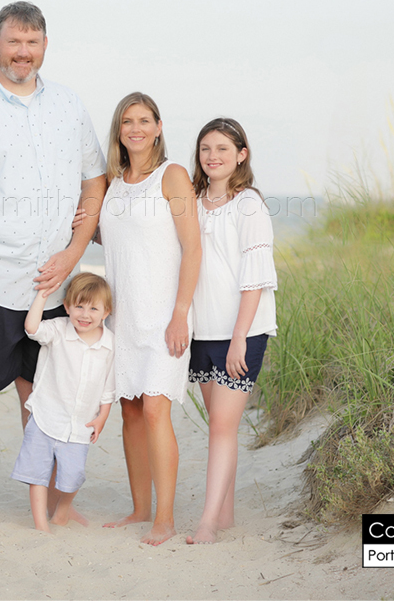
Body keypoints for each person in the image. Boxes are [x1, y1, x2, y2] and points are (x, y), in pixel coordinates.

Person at [0, 1, 107, 529]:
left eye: (32, 43)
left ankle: (56, 504)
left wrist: (74, 253)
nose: (23, 52)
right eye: (14, 41)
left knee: (46, 395)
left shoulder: (69, 106)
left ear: (45, 46)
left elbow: (94, 182)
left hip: (55, 286)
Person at [97, 92, 201, 546]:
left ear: (158, 127)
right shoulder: (113, 182)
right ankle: (140, 508)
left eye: (144, 120)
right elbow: (118, 240)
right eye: (127, 121)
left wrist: (180, 313)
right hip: (124, 315)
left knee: (156, 409)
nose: (135, 128)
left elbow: (192, 248)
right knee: (131, 411)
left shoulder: (172, 175)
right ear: (118, 130)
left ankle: (165, 518)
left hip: (164, 314)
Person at [184, 117, 278, 544]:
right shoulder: (191, 201)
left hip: (242, 332)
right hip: (203, 331)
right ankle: (224, 516)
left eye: (222, 148)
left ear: (241, 155)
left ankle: (207, 523)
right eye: (206, 148)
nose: (212, 156)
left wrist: (240, 336)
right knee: (219, 427)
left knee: (223, 426)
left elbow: (255, 278)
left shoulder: (248, 204)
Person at [11, 272, 115, 532]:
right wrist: (42, 296)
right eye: (78, 306)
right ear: (67, 306)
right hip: (45, 415)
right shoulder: (57, 329)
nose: (85, 314)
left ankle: (62, 512)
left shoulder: (109, 344)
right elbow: (32, 329)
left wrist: (102, 416)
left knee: (73, 475)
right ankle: (41, 526)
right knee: (37, 474)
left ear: (106, 312)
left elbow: (108, 387)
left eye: (93, 308)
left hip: (81, 423)